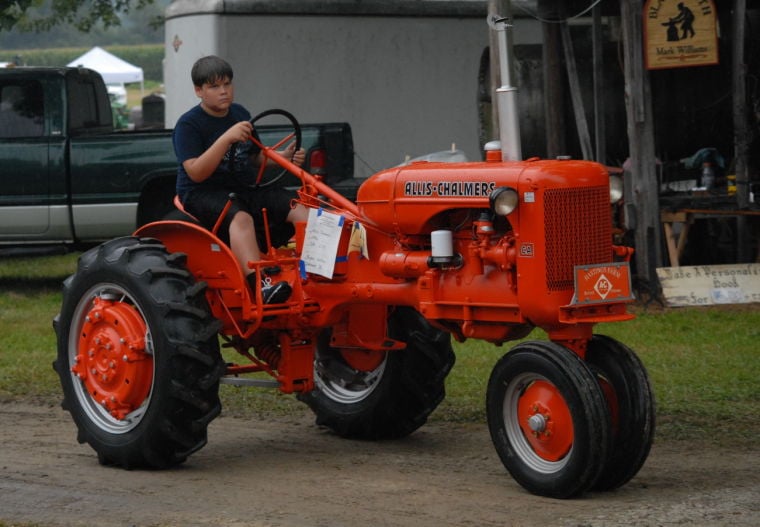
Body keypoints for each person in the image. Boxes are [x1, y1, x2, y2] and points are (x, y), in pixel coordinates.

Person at [173, 55, 309, 304]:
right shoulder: (188, 125)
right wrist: (226, 138)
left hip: (242, 185)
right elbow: (196, 171)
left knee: (298, 205)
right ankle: (261, 285)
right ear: (199, 91)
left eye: (227, 84)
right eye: (214, 87)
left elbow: (255, 155)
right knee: (240, 216)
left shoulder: (240, 113)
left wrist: (283, 157)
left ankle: (313, 272)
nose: (223, 92)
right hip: (203, 192)